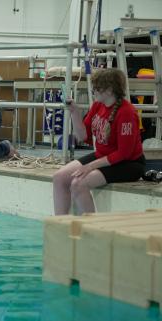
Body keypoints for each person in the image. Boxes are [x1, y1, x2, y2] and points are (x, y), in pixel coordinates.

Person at [53, 68, 145, 215]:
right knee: (59, 178)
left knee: (79, 183)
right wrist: (75, 112)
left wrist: (90, 166)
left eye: (96, 88)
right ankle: (59, 224)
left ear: (109, 90)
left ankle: (91, 231)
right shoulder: (98, 106)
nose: (93, 91)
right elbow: (83, 136)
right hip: (103, 156)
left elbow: (123, 153)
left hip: (129, 164)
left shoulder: (127, 113)